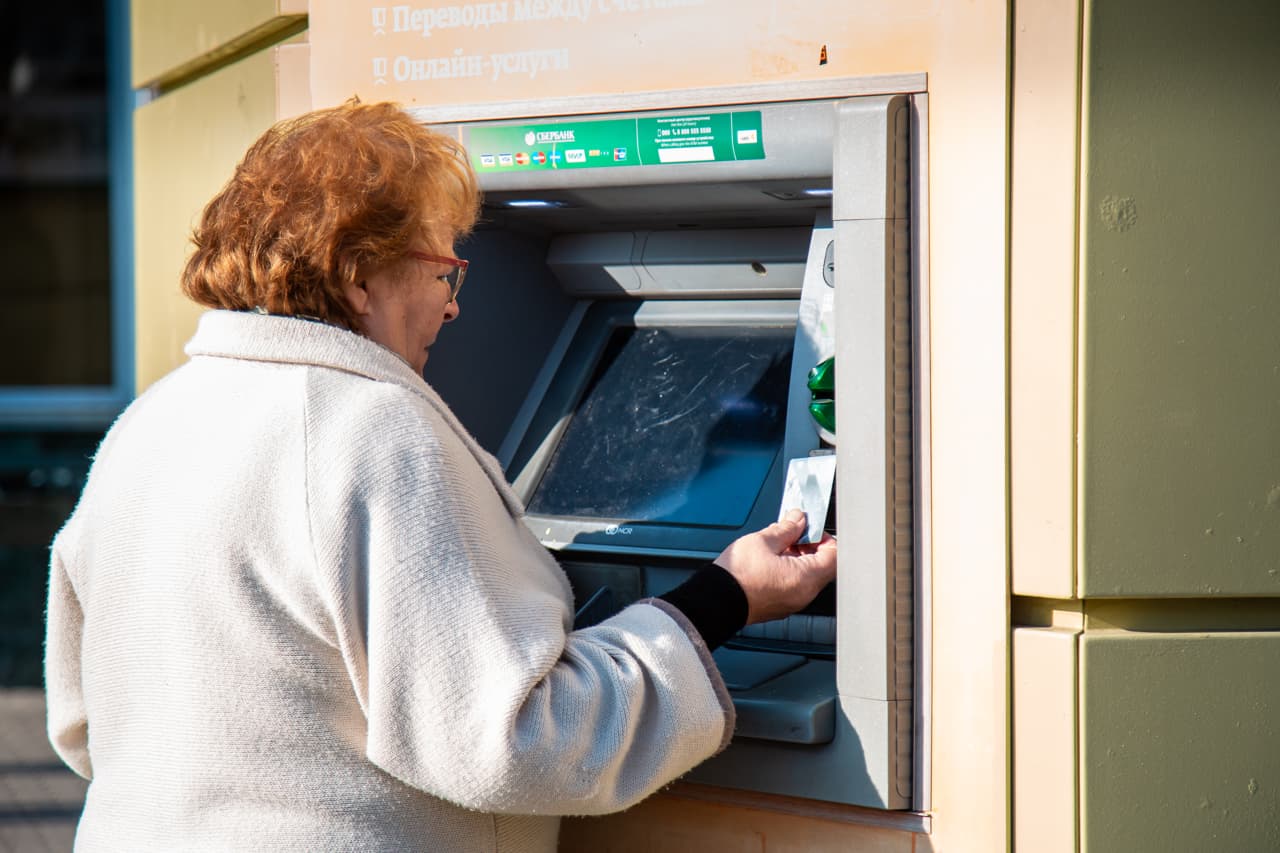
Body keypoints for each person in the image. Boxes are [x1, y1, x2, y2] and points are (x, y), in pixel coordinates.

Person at [45, 100, 837, 851]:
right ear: (361, 278)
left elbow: (84, 727)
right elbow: (520, 741)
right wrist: (725, 596)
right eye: (442, 272)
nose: (453, 307)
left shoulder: (145, 426)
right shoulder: (370, 429)